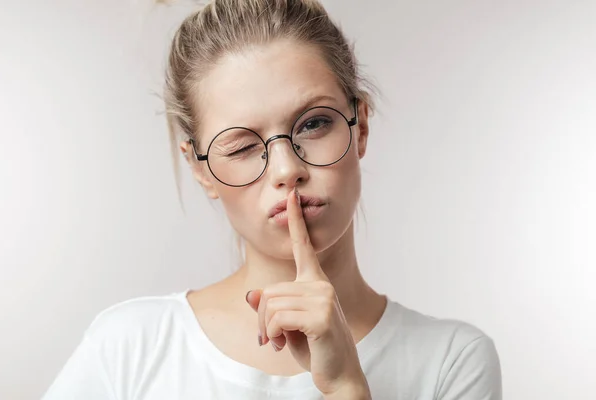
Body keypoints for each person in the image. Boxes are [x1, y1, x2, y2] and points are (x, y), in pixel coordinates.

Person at [43, 0, 502, 399]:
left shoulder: (451, 361)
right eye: (242, 147)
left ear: (359, 124)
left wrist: (346, 388)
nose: (287, 170)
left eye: (313, 124)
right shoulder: (130, 346)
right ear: (201, 168)